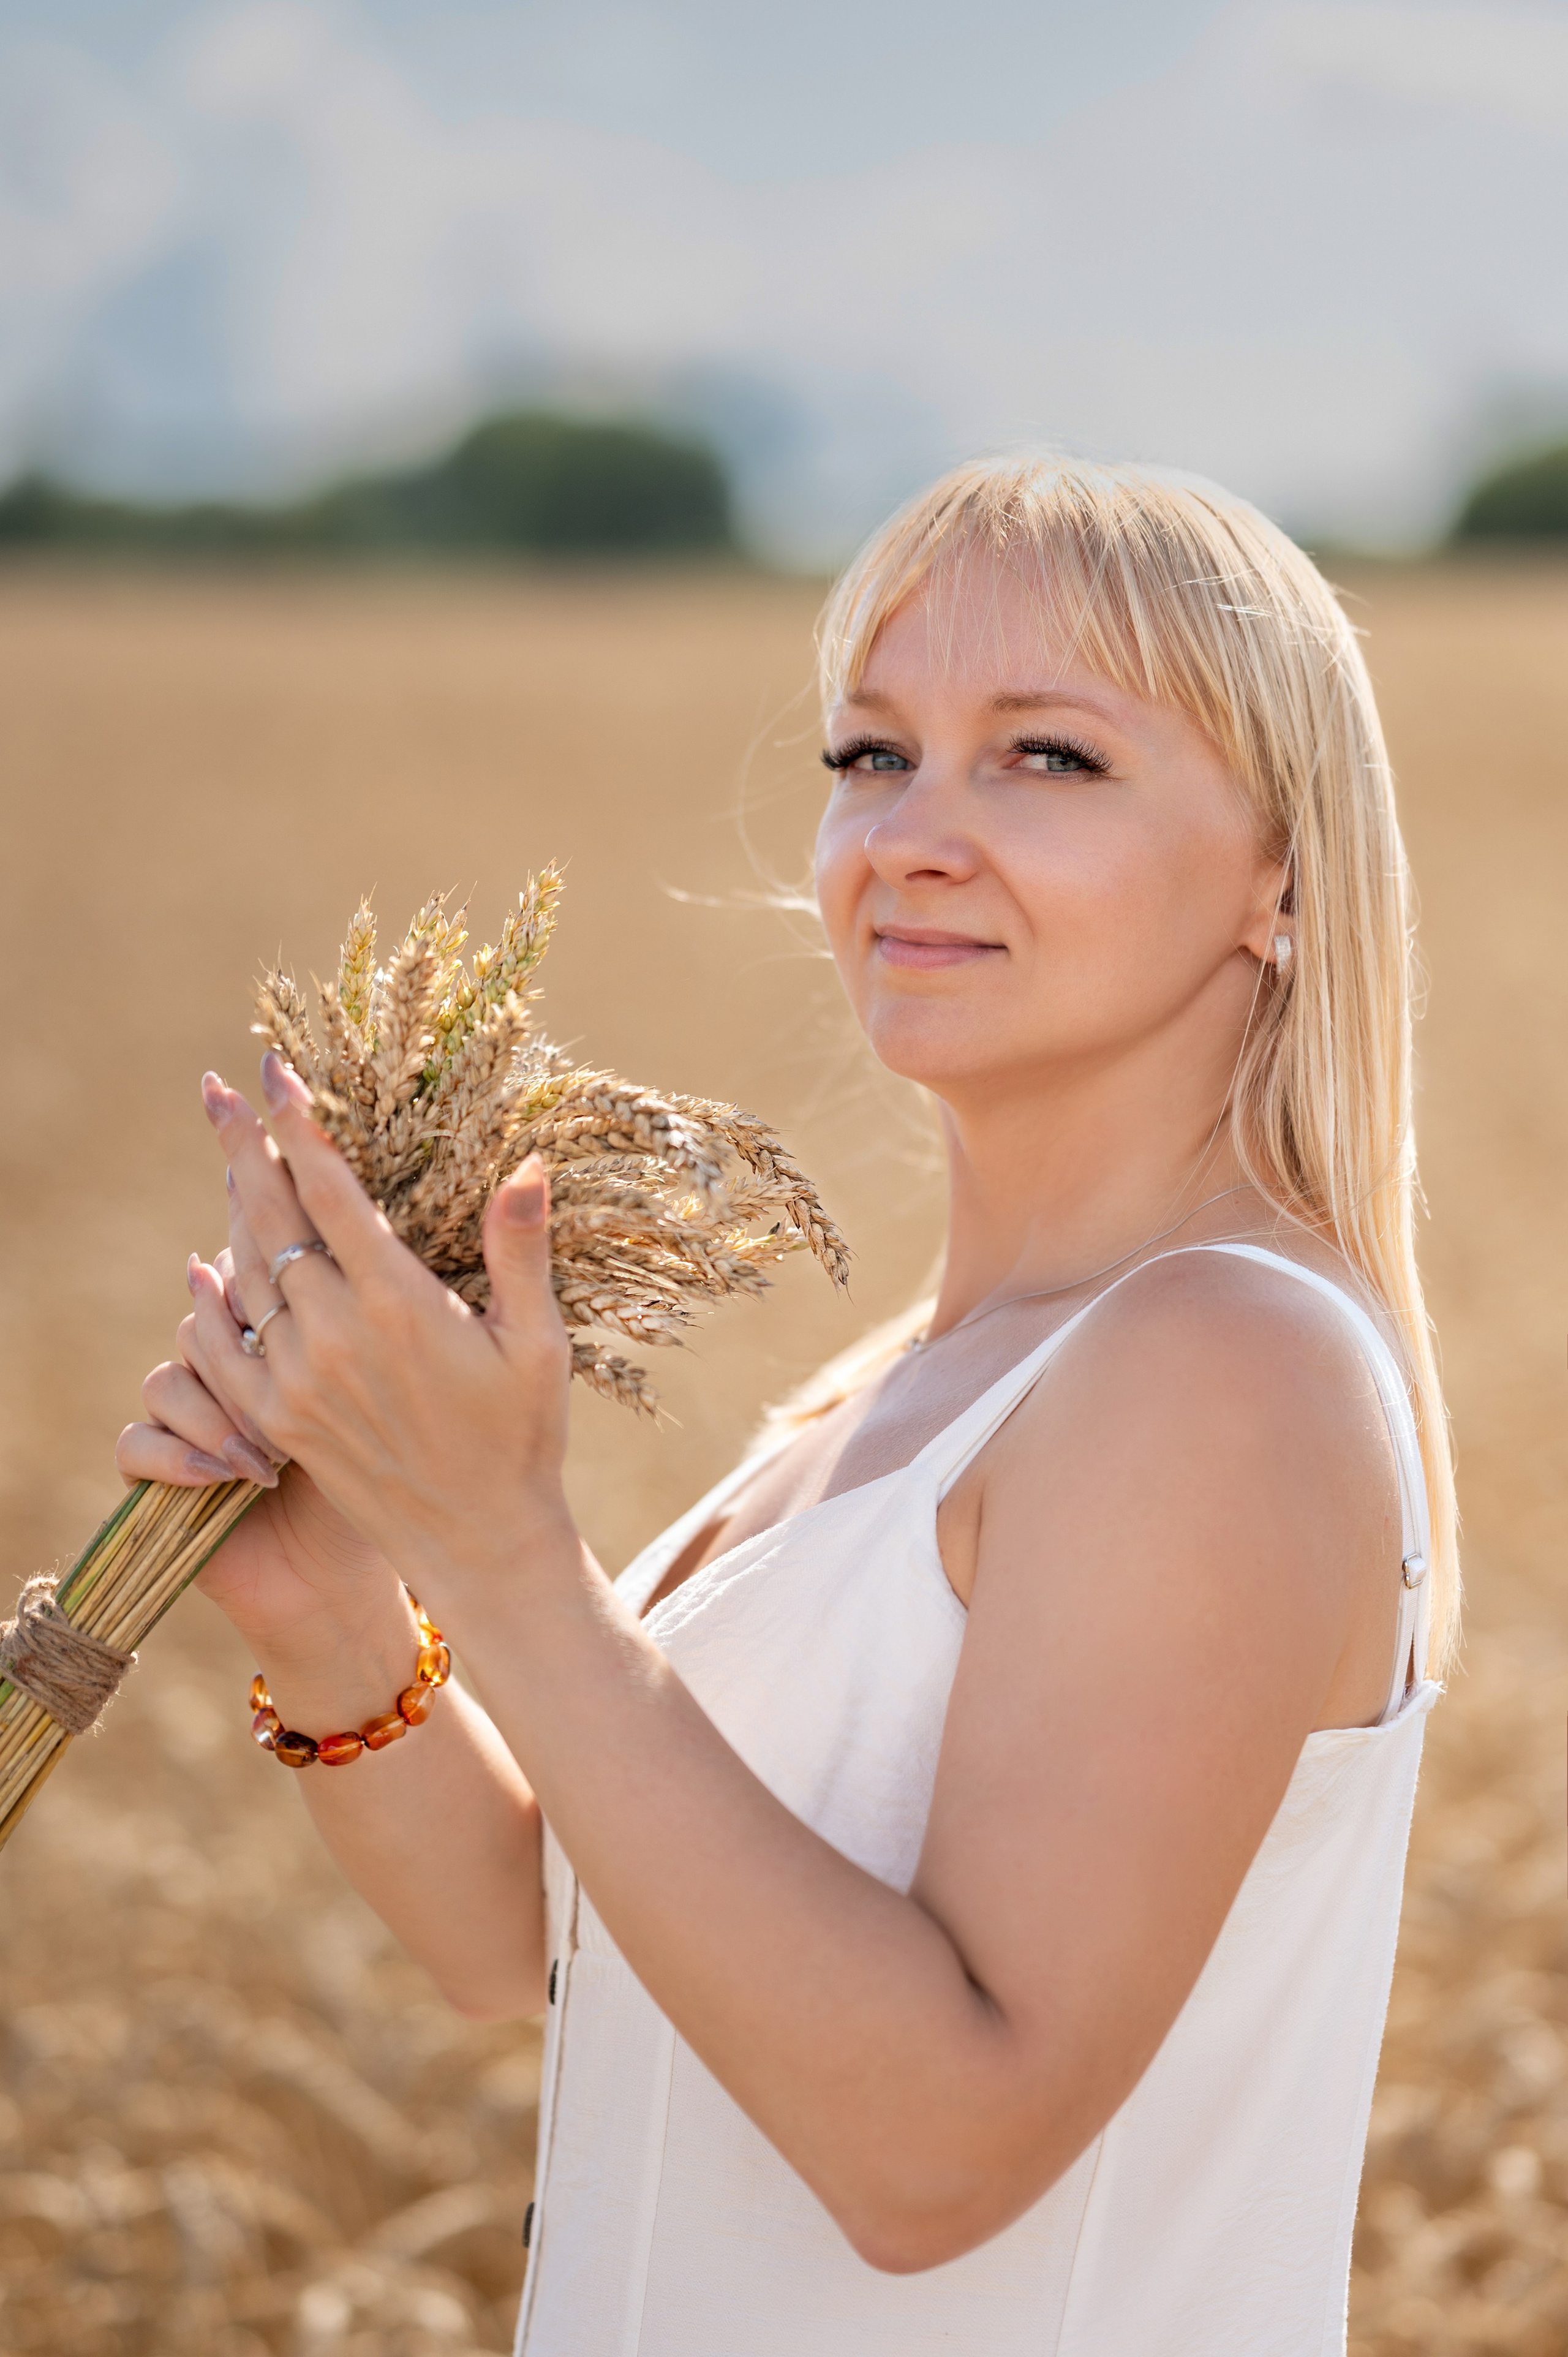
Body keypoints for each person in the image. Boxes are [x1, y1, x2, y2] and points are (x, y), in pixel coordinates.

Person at [118, 456, 1457, 2356]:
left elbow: (938, 2150)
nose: (910, 832)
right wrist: (335, 1604)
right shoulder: (904, 1379)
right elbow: (543, 1937)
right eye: (869, 756)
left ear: (1282, 877)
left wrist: (508, 1555)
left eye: (1047, 759)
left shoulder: (1224, 1370)